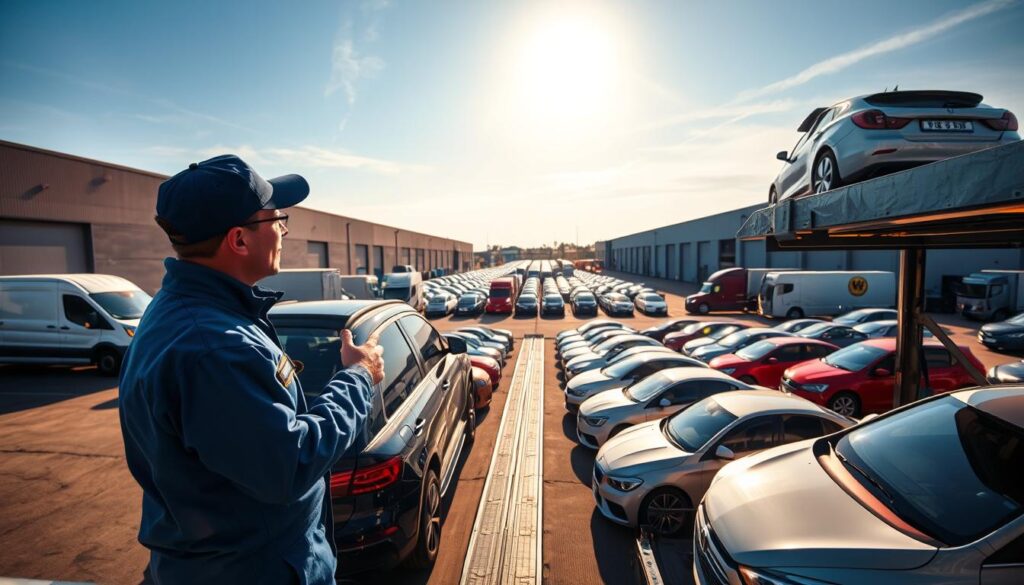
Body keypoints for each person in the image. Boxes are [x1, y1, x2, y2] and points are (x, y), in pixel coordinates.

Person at [119, 155, 383, 585]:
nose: (282, 229)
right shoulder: (214, 347)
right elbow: (289, 464)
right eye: (277, 218)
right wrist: (357, 378)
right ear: (239, 240)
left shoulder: (187, 313)